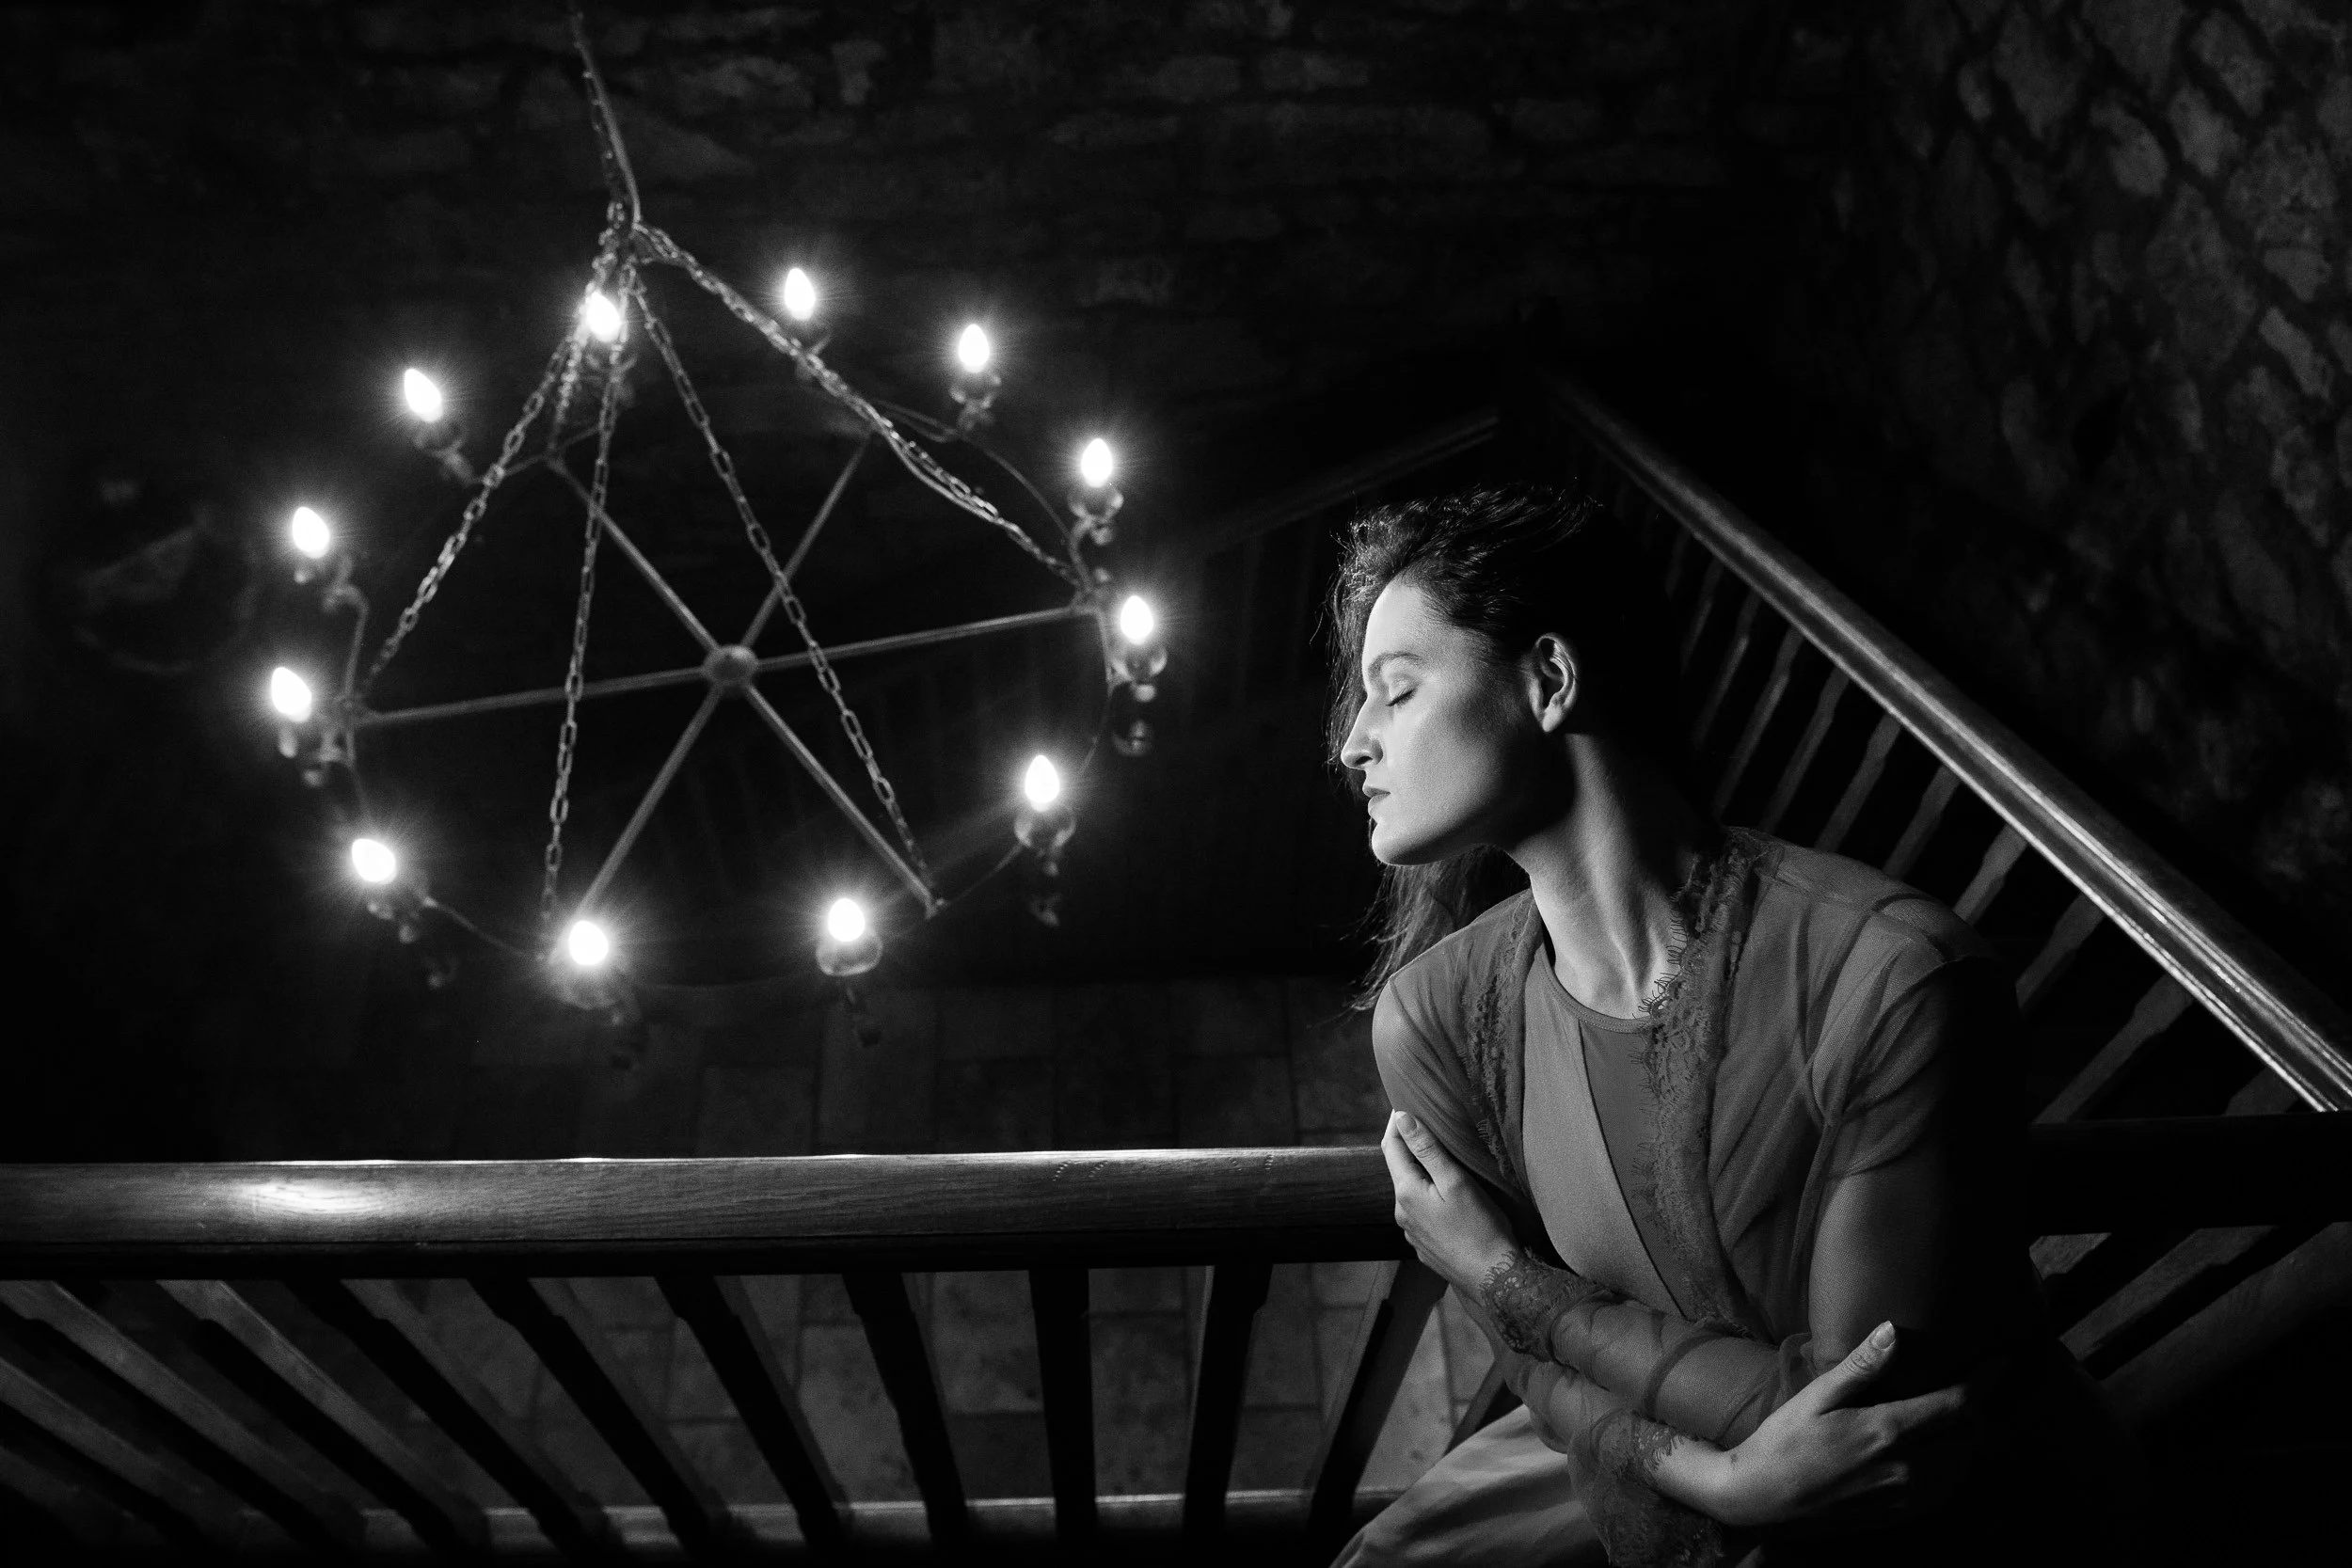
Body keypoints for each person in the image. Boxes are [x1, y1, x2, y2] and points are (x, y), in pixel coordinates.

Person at [1326, 486, 2142, 1566]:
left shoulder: (1891, 978)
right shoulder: (1434, 1018)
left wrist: (1506, 1278)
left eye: (1396, 692)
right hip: (1636, 1457)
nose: (1350, 743)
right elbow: (1536, 1361)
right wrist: (1716, 1478)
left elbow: (1856, 1427)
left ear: (1550, 680)